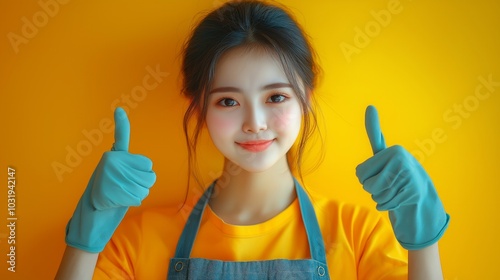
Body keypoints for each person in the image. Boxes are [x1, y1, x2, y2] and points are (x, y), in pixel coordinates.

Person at [56, 0, 450, 279]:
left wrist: (423, 243)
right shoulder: (141, 240)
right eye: (228, 101)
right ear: (199, 110)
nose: (255, 123)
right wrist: (85, 242)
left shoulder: (358, 235)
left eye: (275, 97)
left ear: (305, 99)